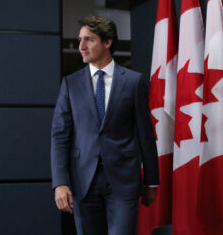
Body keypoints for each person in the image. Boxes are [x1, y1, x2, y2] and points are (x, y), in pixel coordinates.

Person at [51, 15, 159, 235]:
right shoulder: (70, 84)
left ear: (107, 42)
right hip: (83, 182)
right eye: (80, 39)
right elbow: (60, 136)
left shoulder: (133, 81)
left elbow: (145, 133)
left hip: (123, 181)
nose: (81, 46)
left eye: (88, 39)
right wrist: (60, 182)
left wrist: (152, 180)